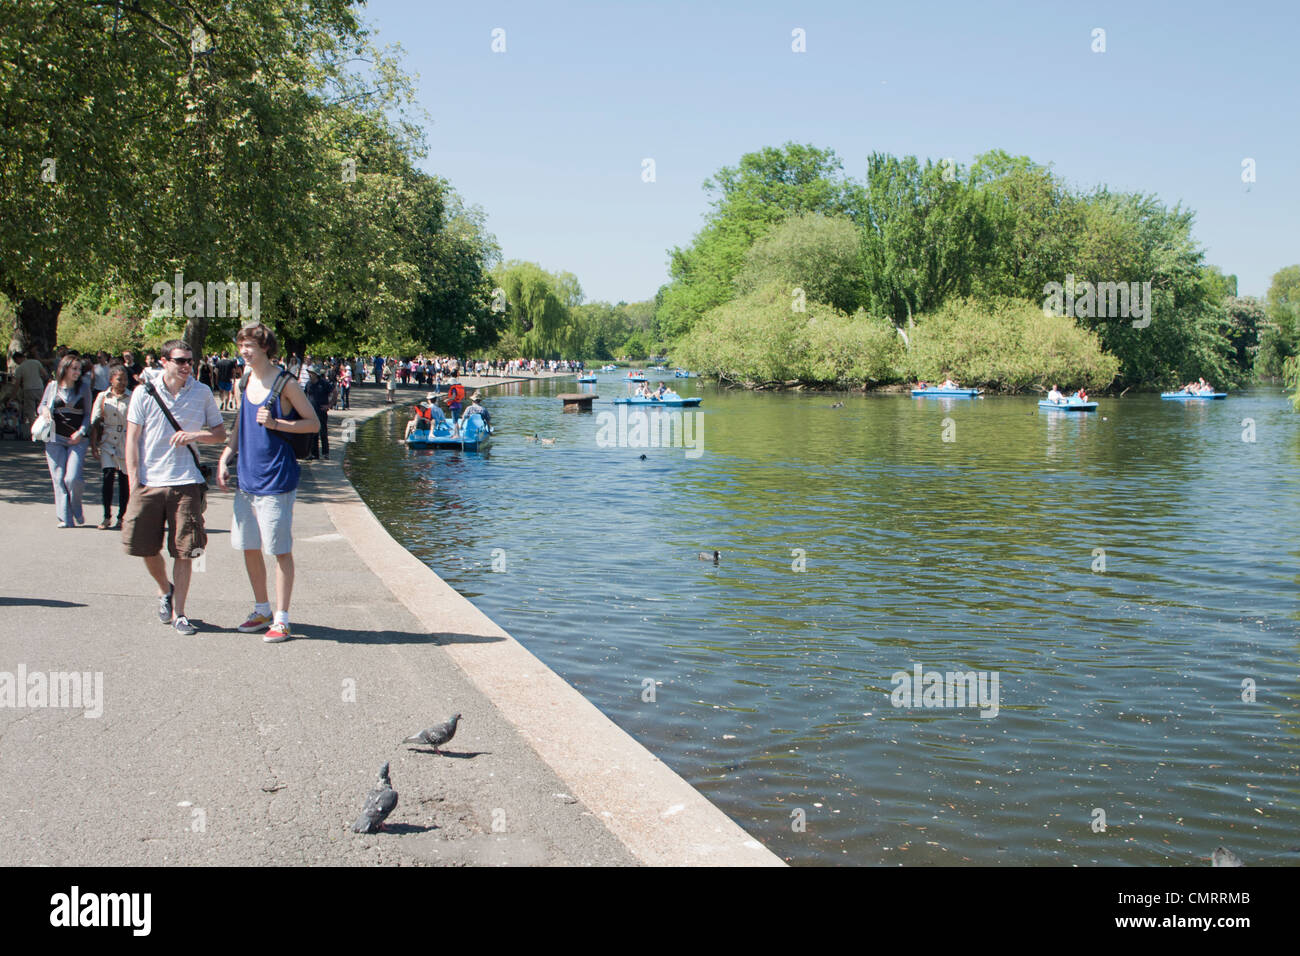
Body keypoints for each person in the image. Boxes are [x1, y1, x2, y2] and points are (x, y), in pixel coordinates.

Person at [217, 323, 318, 643]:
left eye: (250, 345)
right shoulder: (244, 381)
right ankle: (262, 609)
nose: (244, 351)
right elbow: (239, 426)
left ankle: (282, 618)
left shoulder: (286, 383)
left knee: (279, 548)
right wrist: (225, 456)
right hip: (246, 478)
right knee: (248, 546)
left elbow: (312, 423)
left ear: (266, 349)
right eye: (241, 345)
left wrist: (277, 423)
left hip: (276, 479)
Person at [122, 340, 226, 636]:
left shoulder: (202, 392)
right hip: (150, 481)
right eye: (180, 361)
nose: (186, 367)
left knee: (186, 549)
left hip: (186, 481)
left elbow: (219, 435)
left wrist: (194, 435)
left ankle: (180, 613)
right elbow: (132, 440)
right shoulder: (144, 392)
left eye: (190, 361)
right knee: (142, 545)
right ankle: (164, 588)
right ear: (164, 361)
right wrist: (133, 482)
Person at [37, 354, 93, 527]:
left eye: (79, 369)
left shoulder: (84, 388)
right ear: (65, 368)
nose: (77, 372)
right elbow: (41, 406)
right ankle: (65, 518)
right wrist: (45, 410)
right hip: (55, 438)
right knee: (59, 478)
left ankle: (76, 508)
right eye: (74, 368)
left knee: (72, 478)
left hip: (77, 440)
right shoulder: (52, 386)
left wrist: (82, 432)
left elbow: (87, 414)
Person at [90, 364, 132, 529]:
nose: (122, 383)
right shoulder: (103, 397)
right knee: (107, 477)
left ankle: (122, 516)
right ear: (111, 380)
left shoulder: (132, 397)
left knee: (124, 481)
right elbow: (95, 422)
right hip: (108, 441)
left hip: (125, 441)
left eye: (125, 380)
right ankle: (106, 516)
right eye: (119, 379)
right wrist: (94, 445)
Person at [11, 349, 49, 427]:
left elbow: (17, 383)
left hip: (28, 389)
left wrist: (13, 395)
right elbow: (45, 374)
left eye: (16, 361)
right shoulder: (36, 362)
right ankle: (44, 427)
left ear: (18, 359)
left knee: (30, 411)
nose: (16, 363)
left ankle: (34, 429)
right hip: (39, 387)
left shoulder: (20, 368)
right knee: (42, 407)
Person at [304, 365, 335, 459]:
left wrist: (329, 405)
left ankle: (326, 453)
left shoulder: (324, 383)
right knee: (313, 433)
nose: (309, 374)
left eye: (311, 373)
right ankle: (314, 454)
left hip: (321, 411)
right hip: (311, 412)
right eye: (309, 372)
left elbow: (335, 392)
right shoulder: (308, 384)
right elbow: (305, 395)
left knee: (323, 432)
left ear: (316, 374)